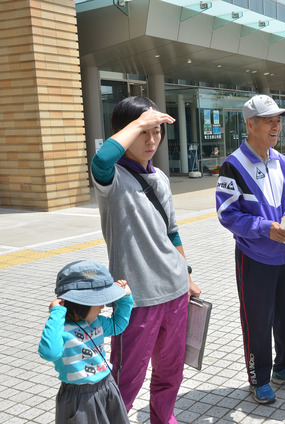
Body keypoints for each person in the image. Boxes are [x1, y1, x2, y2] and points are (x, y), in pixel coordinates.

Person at [91, 96, 201, 424]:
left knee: (170, 371)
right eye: (143, 132)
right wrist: (137, 122)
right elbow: (100, 160)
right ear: (124, 133)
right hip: (137, 299)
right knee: (124, 378)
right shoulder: (112, 180)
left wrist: (187, 276)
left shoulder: (162, 179)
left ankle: (163, 419)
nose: (152, 140)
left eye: (156, 131)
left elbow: (173, 233)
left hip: (175, 292)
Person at [215, 94, 285, 404]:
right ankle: (259, 379)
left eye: (278, 120)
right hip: (254, 257)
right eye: (269, 120)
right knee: (257, 319)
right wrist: (265, 228)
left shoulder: (281, 160)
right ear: (251, 124)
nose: (277, 126)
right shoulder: (232, 165)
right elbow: (227, 214)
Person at [38, 260, 133, 424]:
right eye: (98, 302)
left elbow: (118, 325)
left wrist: (125, 298)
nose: (103, 306)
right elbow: (49, 352)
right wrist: (56, 314)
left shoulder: (97, 322)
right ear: (80, 304)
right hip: (78, 399)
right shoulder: (61, 330)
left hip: (107, 387)